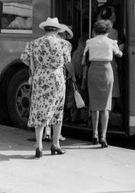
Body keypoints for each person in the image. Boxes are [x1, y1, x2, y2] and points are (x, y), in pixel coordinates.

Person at [20, 17, 72, 158]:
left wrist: (36, 66)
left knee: (39, 110)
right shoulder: (64, 44)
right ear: (57, 30)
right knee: (57, 110)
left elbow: (24, 58)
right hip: (57, 78)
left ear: (45, 29)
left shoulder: (34, 43)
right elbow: (68, 62)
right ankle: (55, 144)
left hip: (40, 78)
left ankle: (39, 146)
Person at [81, 19, 123, 149]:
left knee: (94, 104)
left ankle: (94, 133)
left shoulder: (89, 42)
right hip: (106, 71)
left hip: (93, 71)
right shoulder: (111, 42)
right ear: (108, 31)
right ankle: (103, 136)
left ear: (95, 30)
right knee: (105, 105)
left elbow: (83, 61)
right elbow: (119, 55)